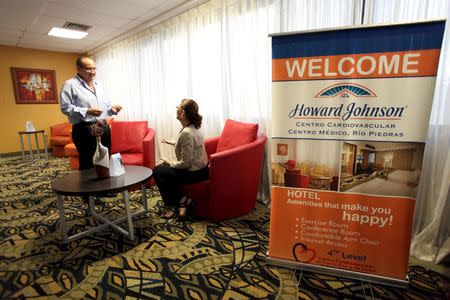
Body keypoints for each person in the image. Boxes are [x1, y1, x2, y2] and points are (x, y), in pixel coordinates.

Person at [60, 55, 122, 170]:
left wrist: (112, 109)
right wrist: (87, 111)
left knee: (105, 160)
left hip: (103, 126)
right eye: (89, 69)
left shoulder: (99, 85)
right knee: (88, 163)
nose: (93, 72)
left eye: (94, 68)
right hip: (85, 129)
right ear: (78, 69)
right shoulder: (70, 85)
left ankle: (105, 186)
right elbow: (65, 108)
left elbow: (106, 106)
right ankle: (88, 187)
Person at [153, 99, 209, 220]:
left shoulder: (187, 133)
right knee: (163, 171)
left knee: (158, 171)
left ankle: (174, 205)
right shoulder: (194, 127)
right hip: (202, 171)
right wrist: (172, 142)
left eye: (177, 107)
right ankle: (182, 200)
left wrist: (169, 163)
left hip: (194, 174)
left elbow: (185, 163)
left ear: (182, 113)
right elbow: (189, 147)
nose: (176, 109)